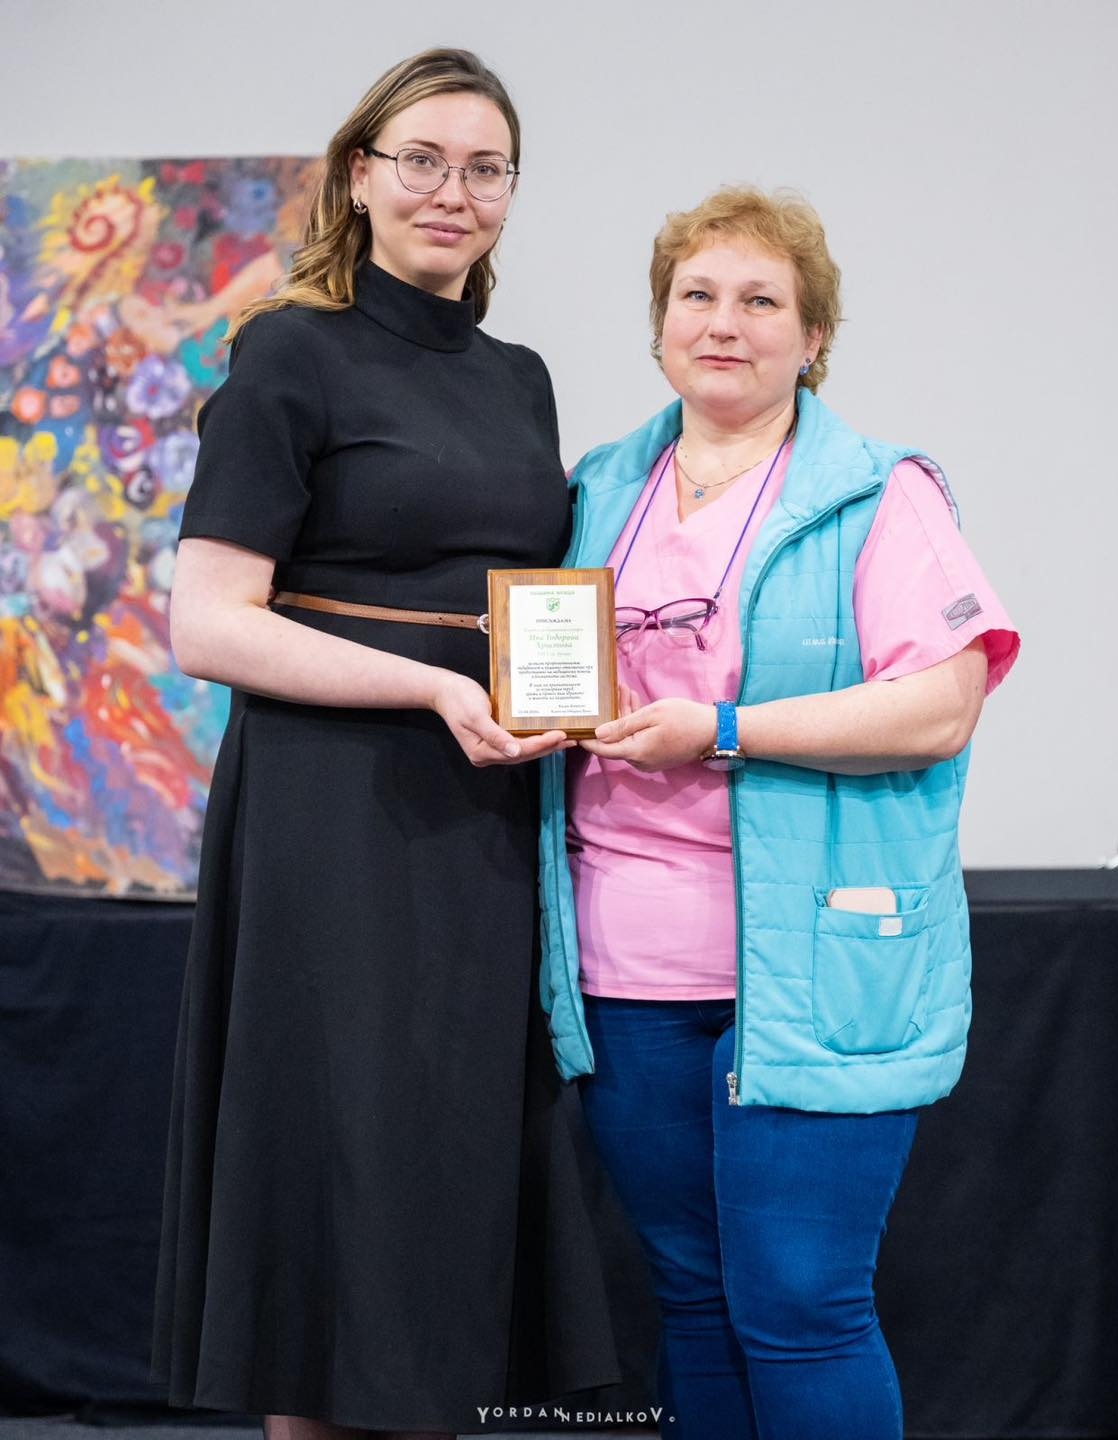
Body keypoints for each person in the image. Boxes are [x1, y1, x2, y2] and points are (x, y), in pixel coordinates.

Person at [152, 48, 621, 1440]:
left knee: (436, 1184)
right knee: (337, 1175)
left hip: (484, 820)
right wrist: (427, 691)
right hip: (334, 818)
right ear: (360, 174)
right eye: (421, 160)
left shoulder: (521, 379)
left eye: (485, 168)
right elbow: (207, 626)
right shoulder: (289, 351)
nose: (451, 192)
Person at [537, 187, 1020, 1440]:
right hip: (627, 971)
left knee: (804, 1305)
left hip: (817, 969)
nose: (724, 322)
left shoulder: (879, 494)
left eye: (761, 301)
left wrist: (726, 729)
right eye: (696, 295)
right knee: (693, 1302)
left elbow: (941, 707)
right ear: (659, 326)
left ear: (813, 339)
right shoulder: (597, 491)